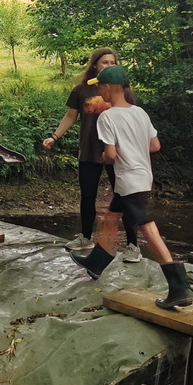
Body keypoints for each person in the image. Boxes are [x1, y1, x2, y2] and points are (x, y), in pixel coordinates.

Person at [70, 65, 193, 310]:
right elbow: (155, 146)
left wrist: (105, 155)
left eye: (100, 86)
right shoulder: (140, 113)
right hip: (142, 175)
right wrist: (133, 147)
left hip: (128, 180)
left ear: (108, 87)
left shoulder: (107, 117)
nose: (99, 91)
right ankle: (97, 262)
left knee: (147, 227)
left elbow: (110, 155)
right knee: (112, 216)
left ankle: (178, 286)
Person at [43, 48, 141, 262]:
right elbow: (70, 116)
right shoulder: (81, 90)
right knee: (87, 196)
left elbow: (132, 119)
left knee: (124, 196)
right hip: (90, 148)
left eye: (113, 62)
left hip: (117, 151)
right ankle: (86, 238)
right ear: (95, 65)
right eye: (105, 62)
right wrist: (54, 137)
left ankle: (133, 246)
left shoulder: (122, 90)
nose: (109, 66)